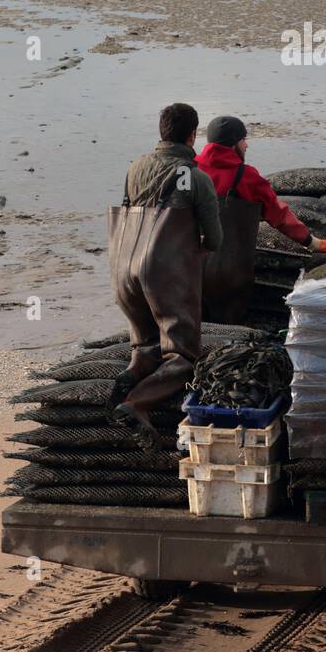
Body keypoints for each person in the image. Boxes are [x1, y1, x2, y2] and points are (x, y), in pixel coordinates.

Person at [107, 102, 222, 451]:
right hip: (161, 272)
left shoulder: (135, 167)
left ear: (161, 131)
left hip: (122, 266)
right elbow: (214, 239)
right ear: (192, 134)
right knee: (183, 356)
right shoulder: (195, 177)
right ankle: (137, 403)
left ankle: (132, 373)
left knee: (145, 343)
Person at [197, 116, 326, 251]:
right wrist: (311, 241)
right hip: (231, 261)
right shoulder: (246, 176)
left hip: (188, 258)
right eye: (243, 139)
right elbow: (278, 214)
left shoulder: (190, 167)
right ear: (233, 144)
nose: (246, 145)